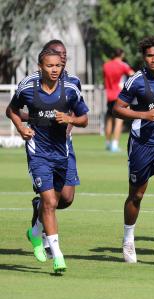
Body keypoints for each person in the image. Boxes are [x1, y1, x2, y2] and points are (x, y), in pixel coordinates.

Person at [6, 48, 89, 273]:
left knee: (64, 199)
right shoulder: (27, 87)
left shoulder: (70, 88)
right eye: (50, 66)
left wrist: (70, 118)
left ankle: (35, 231)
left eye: (58, 66)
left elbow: (84, 119)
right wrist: (21, 128)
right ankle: (57, 255)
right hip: (37, 152)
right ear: (40, 66)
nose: (54, 69)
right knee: (50, 202)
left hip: (62, 152)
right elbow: (11, 110)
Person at [112, 36, 154, 265]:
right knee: (137, 195)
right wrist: (142, 114)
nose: (153, 59)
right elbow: (117, 109)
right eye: (149, 55)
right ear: (145, 57)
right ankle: (128, 239)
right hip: (141, 145)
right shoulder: (136, 81)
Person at [103, 48, 134, 152]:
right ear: (122, 55)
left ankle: (107, 143)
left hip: (109, 94)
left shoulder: (106, 65)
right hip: (119, 95)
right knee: (119, 120)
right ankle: (115, 144)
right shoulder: (122, 65)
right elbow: (133, 75)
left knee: (109, 119)